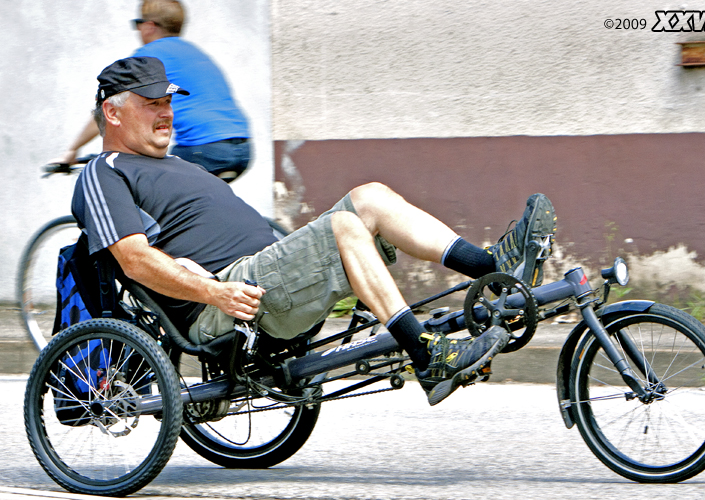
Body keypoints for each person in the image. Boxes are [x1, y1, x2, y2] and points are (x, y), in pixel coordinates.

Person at [72, 56, 558, 406]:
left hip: (272, 274)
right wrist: (212, 291)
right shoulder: (105, 172)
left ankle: (494, 268)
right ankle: (426, 355)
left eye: (169, 101)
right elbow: (133, 259)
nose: (166, 111)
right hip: (233, 301)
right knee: (344, 225)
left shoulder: (174, 163)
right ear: (113, 113)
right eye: (152, 103)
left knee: (368, 196)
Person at [56, 0, 252, 182]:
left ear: (149, 26)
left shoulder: (148, 58)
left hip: (204, 149)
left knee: (149, 188)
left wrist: (73, 149)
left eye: (137, 24)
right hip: (242, 148)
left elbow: (111, 106)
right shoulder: (196, 53)